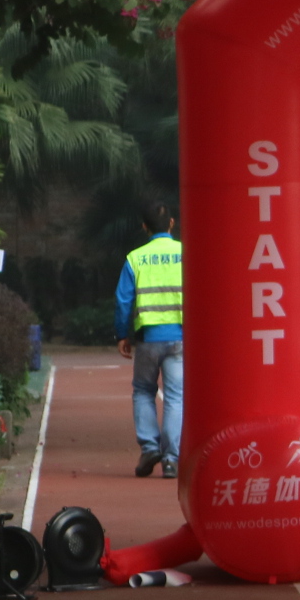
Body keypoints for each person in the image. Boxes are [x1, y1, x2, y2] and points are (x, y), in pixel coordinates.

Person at [115, 199, 184, 479]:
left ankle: (149, 447)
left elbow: (123, 300)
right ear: (171, 223)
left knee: (143, 390)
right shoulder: (186, 253)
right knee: (175, 397)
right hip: (179, 337)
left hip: (147, 338)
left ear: (144, 227)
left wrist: (122, 334)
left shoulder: (135, 258)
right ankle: (171, 458)